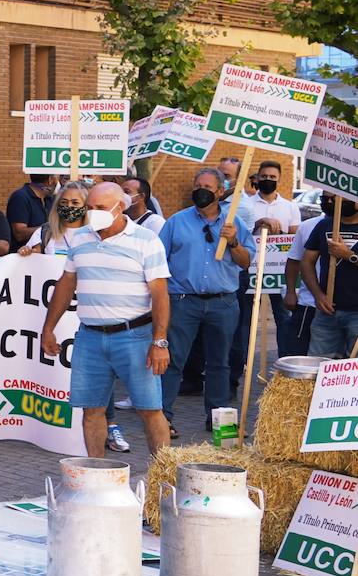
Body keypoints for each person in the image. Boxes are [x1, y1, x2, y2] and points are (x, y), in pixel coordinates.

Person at [41, 182, 172, 458]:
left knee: (150, 409)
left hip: (135, 336)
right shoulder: (80, 238)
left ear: (120, 207)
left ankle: (163, 475)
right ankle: (95, 477)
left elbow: (160, 294)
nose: (92, 213)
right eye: (89, 207)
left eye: (99, 208)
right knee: (91, 409)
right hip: (90, 337)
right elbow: (66, 284)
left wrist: (159, 341)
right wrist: (48, 328)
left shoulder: (147, 240)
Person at [158, 168, 255, 435]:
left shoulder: (234, 223)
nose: (200, 190)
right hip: (182, 301)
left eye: (207, 186)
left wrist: (233, 242)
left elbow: (247, 262)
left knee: (219, 362)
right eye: (197, 184)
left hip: (222, 303)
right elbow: (157, 260)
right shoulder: (176, 222)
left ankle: (220, 422)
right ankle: (163, 419)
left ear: (220, 192)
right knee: (173, 360)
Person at [230, 159, 301, 374]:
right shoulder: (246, 204)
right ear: (257, 178)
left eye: (273, 177)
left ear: (279, 180)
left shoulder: (290, 206)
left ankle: (285, 362)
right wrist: (259, 223)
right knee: (245, 317)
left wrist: (280, 235)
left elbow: (295, 238)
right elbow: (240, 235)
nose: (268, 180)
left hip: (279, 272)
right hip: (250, 269)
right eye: (264, 176)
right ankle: (240, 362)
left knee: (283, 317)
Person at [301, 194, 358, 357]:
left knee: (354, 372)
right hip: (327, 312)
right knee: (318, 366)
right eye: (330, 198)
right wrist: (318, 296)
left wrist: (348, 255)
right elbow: (306, 263)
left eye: (343, 198)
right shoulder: (324, 225)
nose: (333, 202)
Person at [282, 207, 326, 358]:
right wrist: (290, 292)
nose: (329, 201)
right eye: (325, 197)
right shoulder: (308, 226)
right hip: (309, 303)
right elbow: (294, 261)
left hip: (347, 307)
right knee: (298, 353)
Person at [6, 174, 56, 248]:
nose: (57, 182)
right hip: (24, 254)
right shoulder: (20, 198)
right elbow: (19, 234)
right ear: (50, 179)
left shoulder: (50, 199)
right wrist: (49, 229)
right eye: (55, 178)